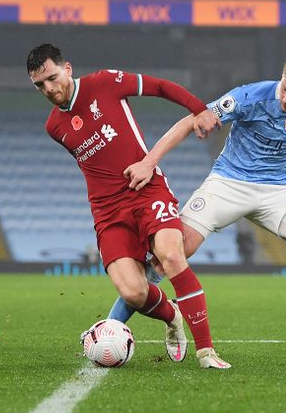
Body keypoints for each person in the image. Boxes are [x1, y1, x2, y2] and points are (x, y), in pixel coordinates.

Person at [109, 52, 286, 365]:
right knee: (171, 253)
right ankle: (111, 327)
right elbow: (193, 119)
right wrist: (149, 162)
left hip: (277, 191)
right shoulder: (251, 96)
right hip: (228, 183)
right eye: (285, 88)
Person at [26, 44, 230, 369]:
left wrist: (199, 109)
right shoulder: (55, 127)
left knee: (172, 255)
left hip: (146, 190)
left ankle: (206, 351)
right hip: (107, 212)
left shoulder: (105, 82)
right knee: (134, 292)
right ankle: (173, 316)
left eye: (52, 78)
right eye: (39, 85)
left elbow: (161, 87)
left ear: (67, 68)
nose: (49, 89)